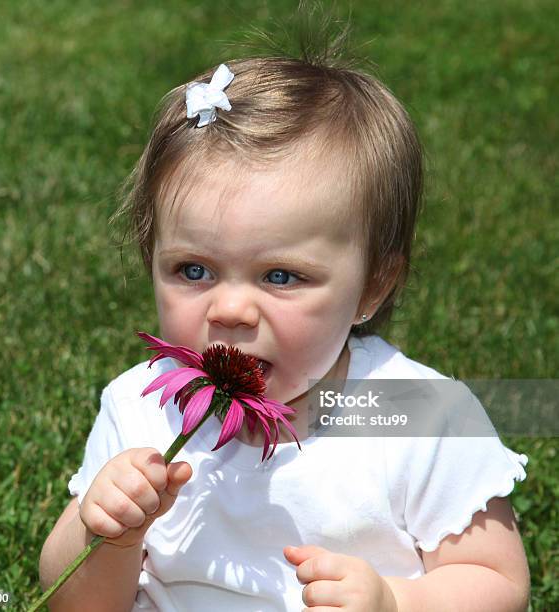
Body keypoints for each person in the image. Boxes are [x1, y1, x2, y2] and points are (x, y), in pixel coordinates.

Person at [39, 46, 531, 611]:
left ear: (372, 286)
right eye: (192, 270)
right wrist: (108, 537)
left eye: (280, 275)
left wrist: (396, 603)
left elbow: (496, 582)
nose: (230, 310)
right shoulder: (142, 410)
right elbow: (73, 602)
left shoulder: (419, 415)